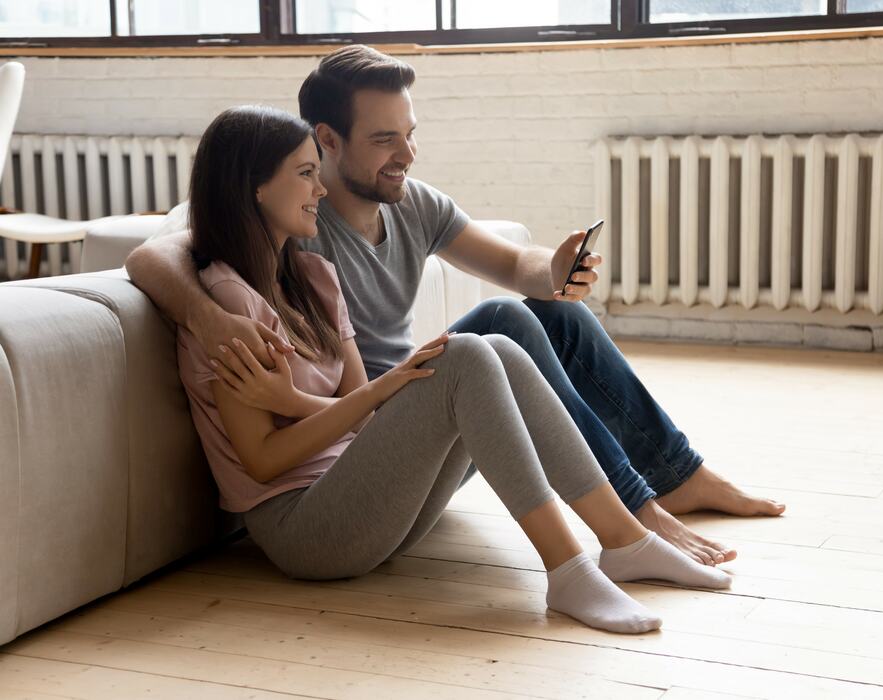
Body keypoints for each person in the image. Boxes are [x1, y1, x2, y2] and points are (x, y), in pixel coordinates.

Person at [126, 45, 784, 569]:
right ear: (326, 140)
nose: (406, 155)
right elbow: (157, 254)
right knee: (501, 326)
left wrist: (553, 270)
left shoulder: (411, 202)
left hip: (401, 421)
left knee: (554, 313)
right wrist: (209, 317)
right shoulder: (296, 216)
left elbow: (512, 264)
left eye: (410, 134)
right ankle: (634, 512)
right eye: (385, 139)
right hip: (378, 429)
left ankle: (678, 474)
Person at [176, 104, 731, 635]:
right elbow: (263, 460)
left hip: (367, 496)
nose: (320, 188)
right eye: (304, 174)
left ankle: (625, 540)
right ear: (253, 187)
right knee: (463, 353)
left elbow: (360, 420)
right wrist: (380, 390)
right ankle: (569, 571)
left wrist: (306, 402)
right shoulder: (230, 307)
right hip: (305, 531)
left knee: (498, 346)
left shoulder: (315, 277)